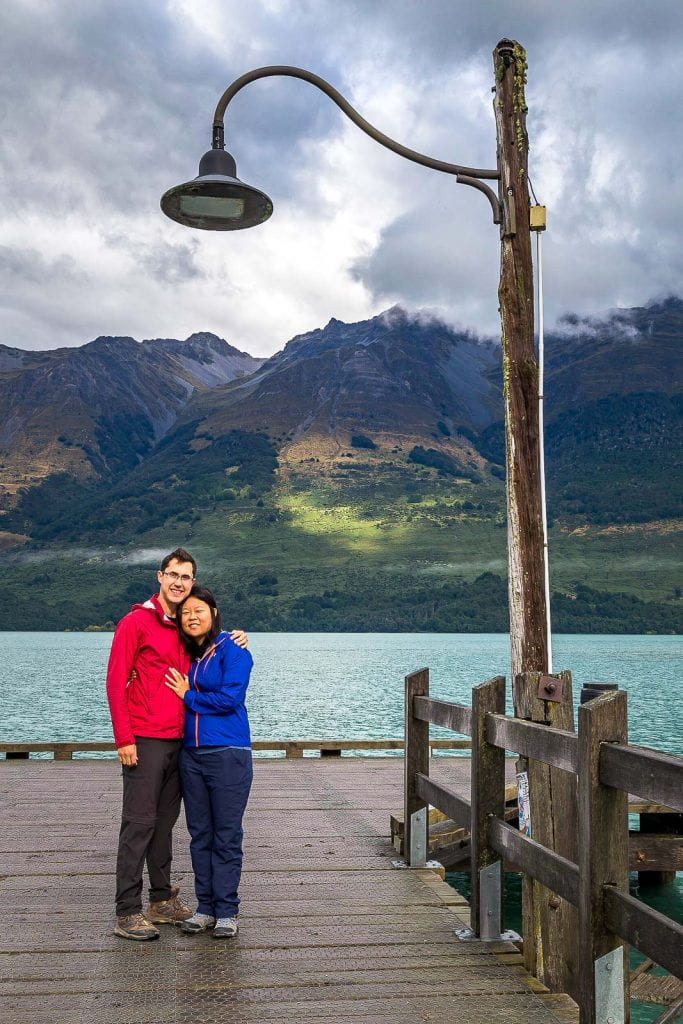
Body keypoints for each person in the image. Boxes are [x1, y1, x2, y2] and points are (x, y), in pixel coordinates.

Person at [105, 548, 248, 941]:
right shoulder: (136, 622)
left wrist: (236, 636)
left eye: (186, 577)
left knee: (165, 825)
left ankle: (161, 898)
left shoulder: (186, 630)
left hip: (182, 744)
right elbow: (116, 683)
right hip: (145, 740)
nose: (179, 582)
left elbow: (213, 646)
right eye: (173, 574)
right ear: (159, 576)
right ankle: (127, 910)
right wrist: (123, 738)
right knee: (139, 823)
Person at [164, 585, 253, 939]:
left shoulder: (234, 651)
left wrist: (189, 695)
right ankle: (205, 908)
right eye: (186, 612)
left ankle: (228, 911)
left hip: (228, 754)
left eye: (198, 610)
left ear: (214, 613)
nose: (192, 616)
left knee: (226, 834)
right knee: (199, 834)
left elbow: (231, 699)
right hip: (192, 757)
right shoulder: (190, 655)